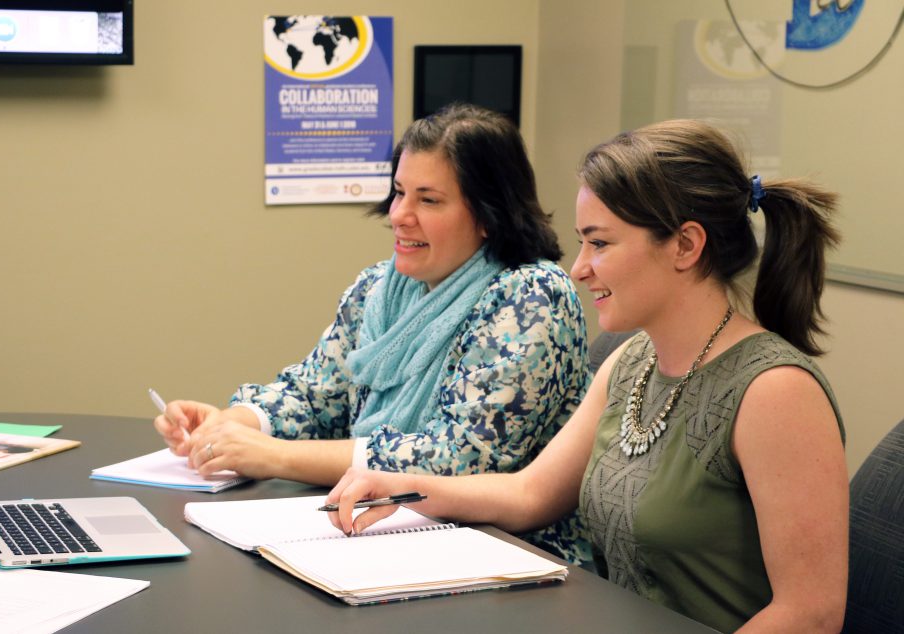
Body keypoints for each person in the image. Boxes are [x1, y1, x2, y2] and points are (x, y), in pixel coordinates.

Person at [325, 119, 848, 633]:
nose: (578, 268)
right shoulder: (632, 361)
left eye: (600, 244)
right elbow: (530, 494)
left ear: (686, 246)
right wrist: (402, 486)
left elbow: (811, 614)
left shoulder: (776, 392)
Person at [153, 103, 593, 562]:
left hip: (512, 555)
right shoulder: (378, 287)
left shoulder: (531, 294)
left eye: (428, 199)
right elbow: (314, 393)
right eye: (399, 192)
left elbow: (459, 458)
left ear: (487, 215)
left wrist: (274, 455)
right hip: (383, 533)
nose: (400, 214)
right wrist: (233, 424)